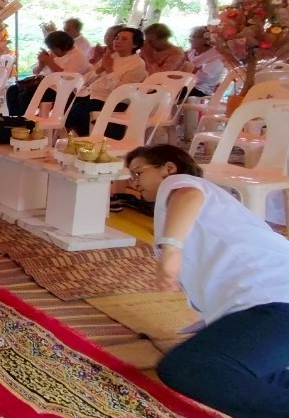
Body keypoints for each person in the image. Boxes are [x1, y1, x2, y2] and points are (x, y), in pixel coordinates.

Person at [124, 145, 289, 418]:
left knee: (189, 367)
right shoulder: (212, 207)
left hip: (273, 299)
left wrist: (171, 248)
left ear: (168, 168)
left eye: (138, 172)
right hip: (269, 300)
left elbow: (188, 195)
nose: (134, 182)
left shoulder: (179, 183)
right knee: (245, 374)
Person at [65, 27, 148, 136]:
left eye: (124, 39)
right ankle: (67, 136)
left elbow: (123, 93)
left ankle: (83, 140)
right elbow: (85, 81)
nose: (118, 41)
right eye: (117, 38)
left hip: (114, 101)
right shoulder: (111, 57)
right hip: (93, 96)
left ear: (135, 44)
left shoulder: (137, 64)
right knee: (67, 101)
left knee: (79, 109)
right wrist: (100, 69)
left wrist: (109, 70)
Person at [5, 30, 91, 115]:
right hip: (42, 83)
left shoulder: (78, 56)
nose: (51, 50)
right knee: (12, 90)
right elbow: (35, 71)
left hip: (59, 90)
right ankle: (15, 119)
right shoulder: (54, 52)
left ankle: (24, 122)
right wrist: (41, 64)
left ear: (61, 47)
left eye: (52, 48)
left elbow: (66, 78)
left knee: (26, 95)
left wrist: (49, 62)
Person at [186, 26, 225, 97]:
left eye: (192, 38)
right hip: (185, 84)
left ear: (205, 40)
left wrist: (188, 64)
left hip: (200, 90)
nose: (189, 40)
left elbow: (202, 79)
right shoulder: (191, 51)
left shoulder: (216, 56)